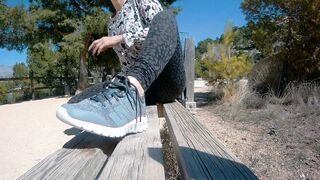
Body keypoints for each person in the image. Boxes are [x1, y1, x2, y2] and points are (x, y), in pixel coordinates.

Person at [56, 0, 185, 137]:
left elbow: (162, 32)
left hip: (166, 79)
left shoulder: (142, 2)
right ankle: (127, 97)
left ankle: (133, 88)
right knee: (75, 102)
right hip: (142, 92)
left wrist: (120, 38)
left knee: (166, 16)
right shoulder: (112, 24)